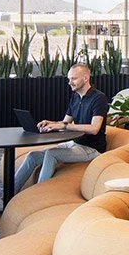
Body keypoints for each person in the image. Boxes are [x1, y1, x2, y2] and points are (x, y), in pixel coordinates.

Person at [13, 64, 109, 192]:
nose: (69, 83)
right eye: (69, 79)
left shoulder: (98, 98)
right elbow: (65, 122)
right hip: (74, 143)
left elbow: (94, 128)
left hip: (91, 148)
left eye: (73, 79)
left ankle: (39, 194)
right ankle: (8, 196)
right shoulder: (75, 97)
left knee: (52, 154)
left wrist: (63, 125)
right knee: (32, 156)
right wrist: (51, 123)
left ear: (86, 78)